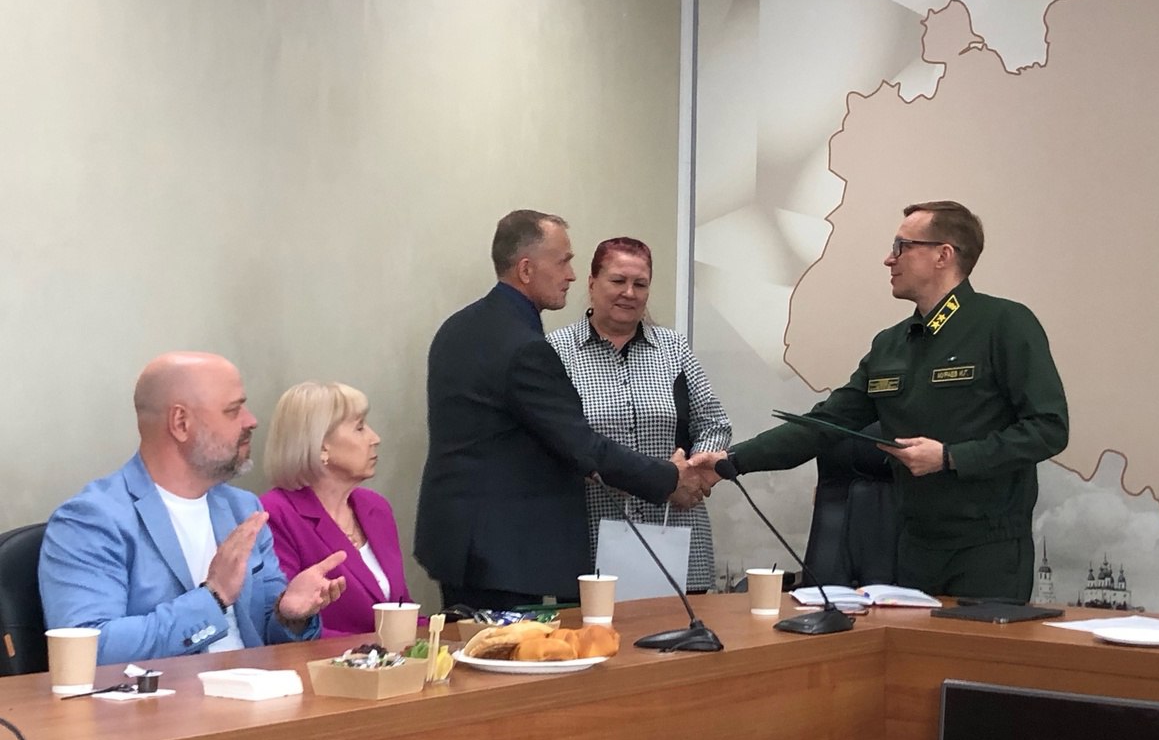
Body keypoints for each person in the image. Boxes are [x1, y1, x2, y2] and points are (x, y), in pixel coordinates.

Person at [698, 201, 1068, 601]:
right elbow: (825, 424)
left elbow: (1048, 429)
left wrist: (950, 457)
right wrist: (729, 461)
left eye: (902, 246)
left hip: (988, 551)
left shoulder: (1004, 324)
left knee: (972, 646)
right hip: (913, 548)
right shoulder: (891, 344)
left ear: (943, 255)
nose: (889, 259)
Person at [414, 209, 708, 611]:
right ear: (526, 269)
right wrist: (668, 477)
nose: (570, 275)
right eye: (563, 261)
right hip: (502, 553)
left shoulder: (458, 327)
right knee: (506, 652)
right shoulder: (525, 347)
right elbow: (580, 445)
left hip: (460, 542)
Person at [39, 352, 347, 665]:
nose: (251, 420)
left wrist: (290, 615)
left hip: (259, 690)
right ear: (181, 423)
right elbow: (88, 650)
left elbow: (268, 637)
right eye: (233, 410)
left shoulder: (243, 509)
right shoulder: (91, 519)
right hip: (166, 696)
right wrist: (213, 597)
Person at [547, 237, 731, 591]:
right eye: (618, 281)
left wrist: (691, 473)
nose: (629, 293)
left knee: (686, 626)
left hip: (677, 526)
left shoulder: (674, 348)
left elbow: (714, 423)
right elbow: (556, 443)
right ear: (592, 283)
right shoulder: (556, 351)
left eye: (640, 284)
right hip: (593, 533)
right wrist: (653, 479)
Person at [261, 382, 419, 638]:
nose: (375, 438)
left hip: (389, 659)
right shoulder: (275, 514)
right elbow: (280, 628)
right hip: (328, 661)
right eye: (360, 427)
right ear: (321, 445)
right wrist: (375, 650)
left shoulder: (375, 508)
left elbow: (401, 609)